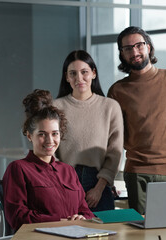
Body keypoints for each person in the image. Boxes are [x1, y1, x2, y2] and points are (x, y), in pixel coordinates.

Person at [107, 26, 166, 214]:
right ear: (122, 55)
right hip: (136, 173)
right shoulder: (117, 90)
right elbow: (111, 136)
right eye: (127, 48)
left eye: (139, 45)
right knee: (140, 232)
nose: (134, 52)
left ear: (148, 47)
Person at [2, 89, 94, 230]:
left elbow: (86, 212)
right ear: (29, 135)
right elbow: (17, 216)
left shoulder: (68, 170)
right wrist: (62, 221)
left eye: (55, 134)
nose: (50, 140)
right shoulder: (18, 169)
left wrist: (82, 218)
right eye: (42, 134)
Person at [53, 50, 124, 212]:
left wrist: (99, 188)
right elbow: (51, 150)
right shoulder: (55, 108)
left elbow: (115, 152)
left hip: (99, 183)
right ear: (66, 77)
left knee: (104, 235)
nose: (79, 78)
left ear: (93, 73)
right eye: (73, 73)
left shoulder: (110, 107)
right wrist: (64, 185)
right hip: (64, 182)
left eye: (84, 72)